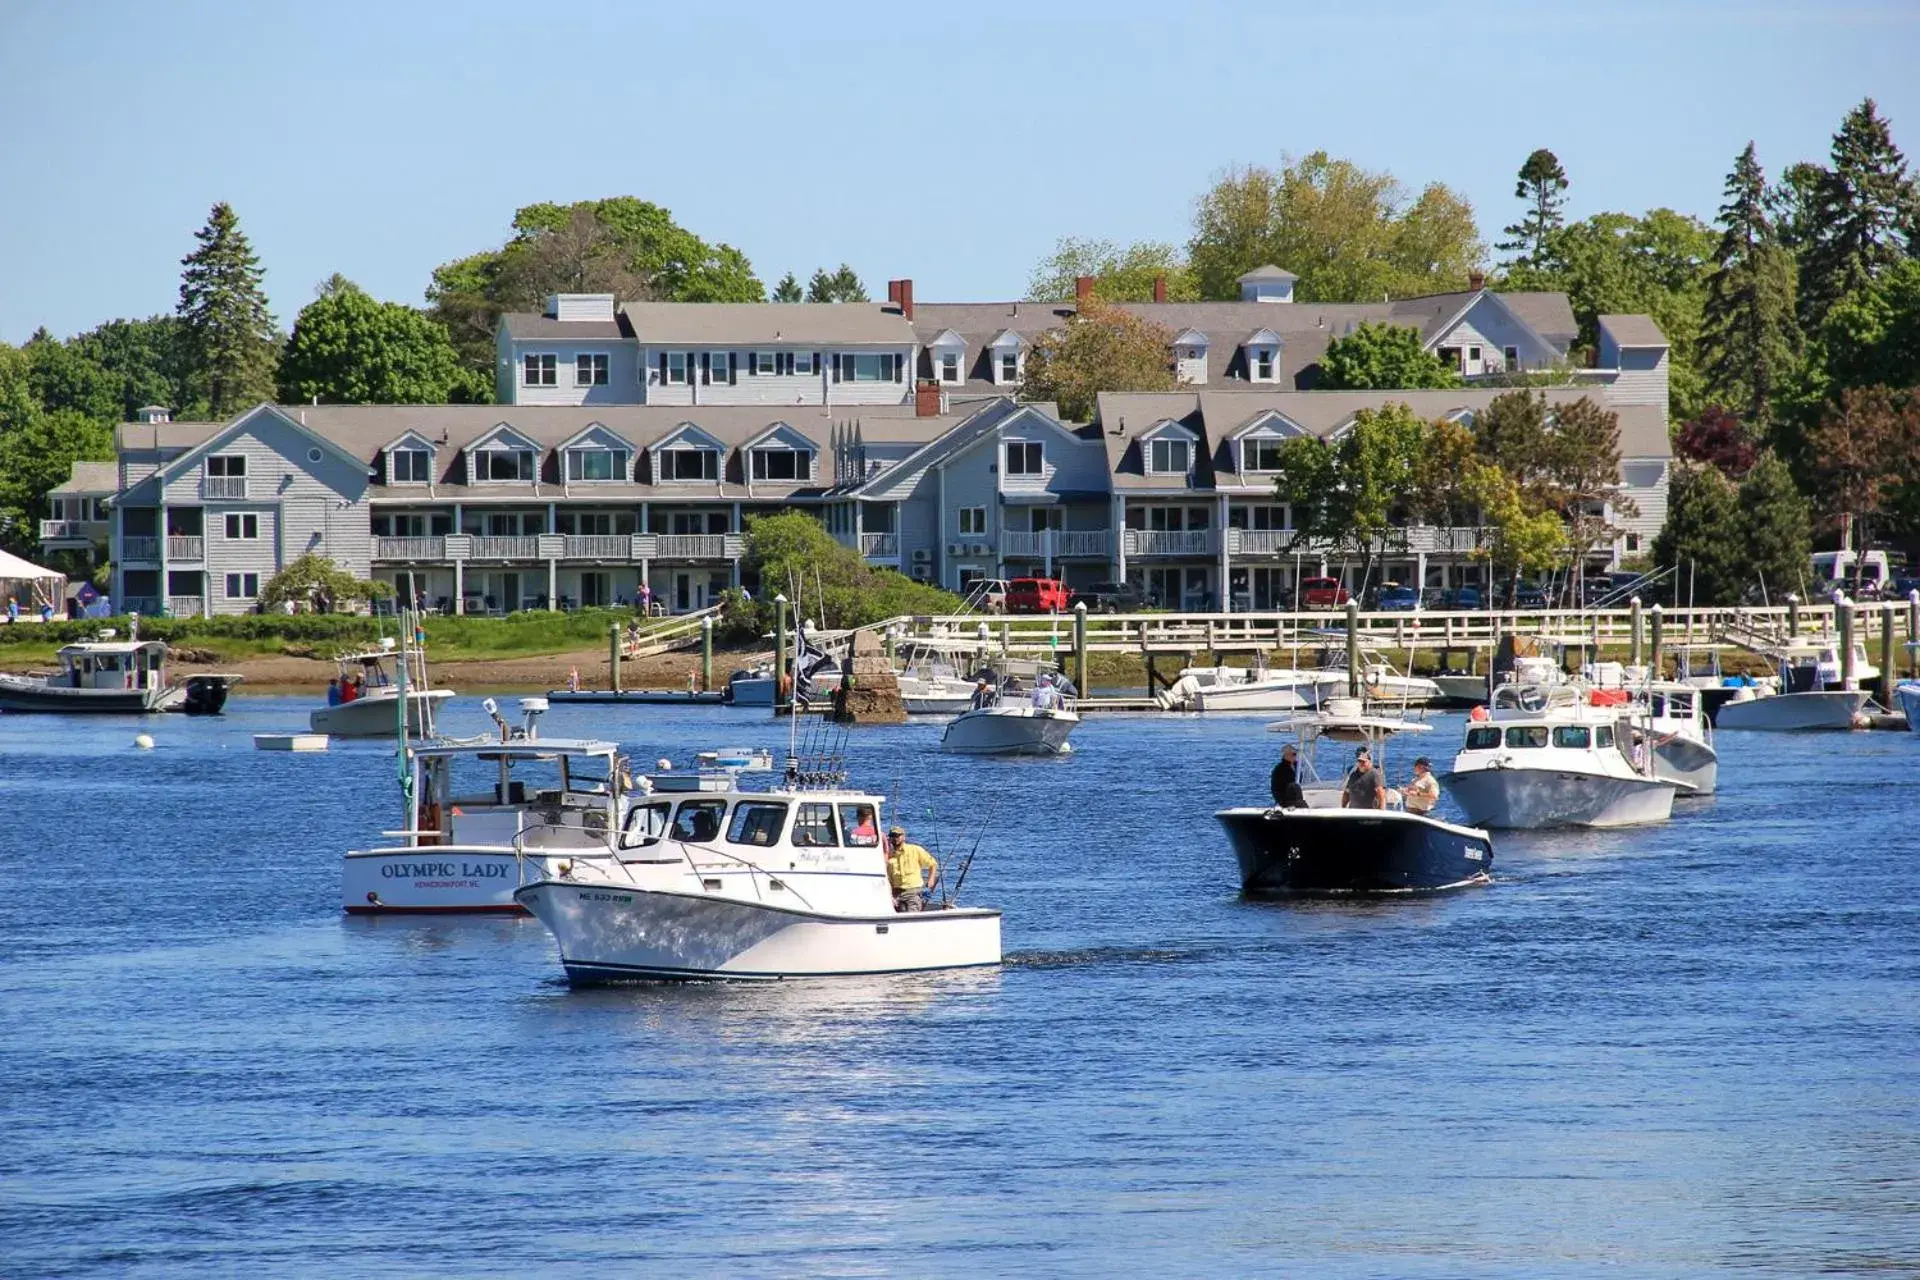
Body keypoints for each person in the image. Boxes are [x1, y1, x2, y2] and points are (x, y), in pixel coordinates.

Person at [885, 825, 939, 912]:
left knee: (911, 916)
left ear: (904, 837)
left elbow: (932, 864)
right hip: (896, 895)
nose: (895, 838)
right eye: (893, 836)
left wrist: (931, 880)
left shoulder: (915, 850)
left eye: (898, 835)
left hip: (913, 892)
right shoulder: (889, 856)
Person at [1269, 743, 1306, 808]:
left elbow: (1300, 779)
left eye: (1296, 754)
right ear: (1286, 755)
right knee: (1293, 786)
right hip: (1285, 798)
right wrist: (1282, 802)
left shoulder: (1297, 766)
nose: (1295, 756)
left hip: (1296, 796)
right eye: (1294, 754)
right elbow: (1276, 788)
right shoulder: (1279, 769)